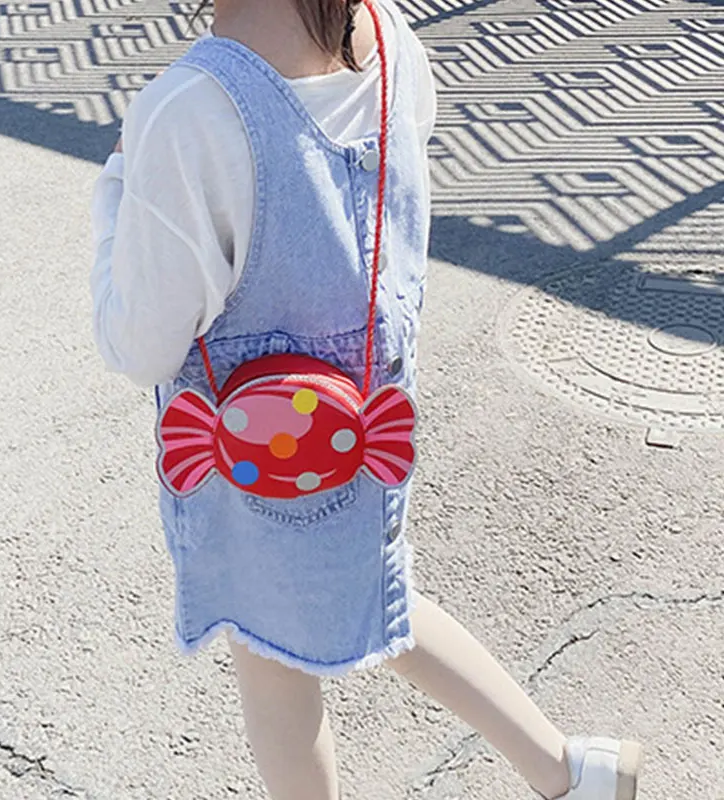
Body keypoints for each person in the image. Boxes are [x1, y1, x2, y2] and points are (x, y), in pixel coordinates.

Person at [89, 1, 643, 798]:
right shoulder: (390, 40)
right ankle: (569, 770)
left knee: (275, 660)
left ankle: (567, 770)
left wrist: (117, 189)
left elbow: (140, 341)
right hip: (362, 430)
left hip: (253, 460)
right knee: (374, 593)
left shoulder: (189, 110)